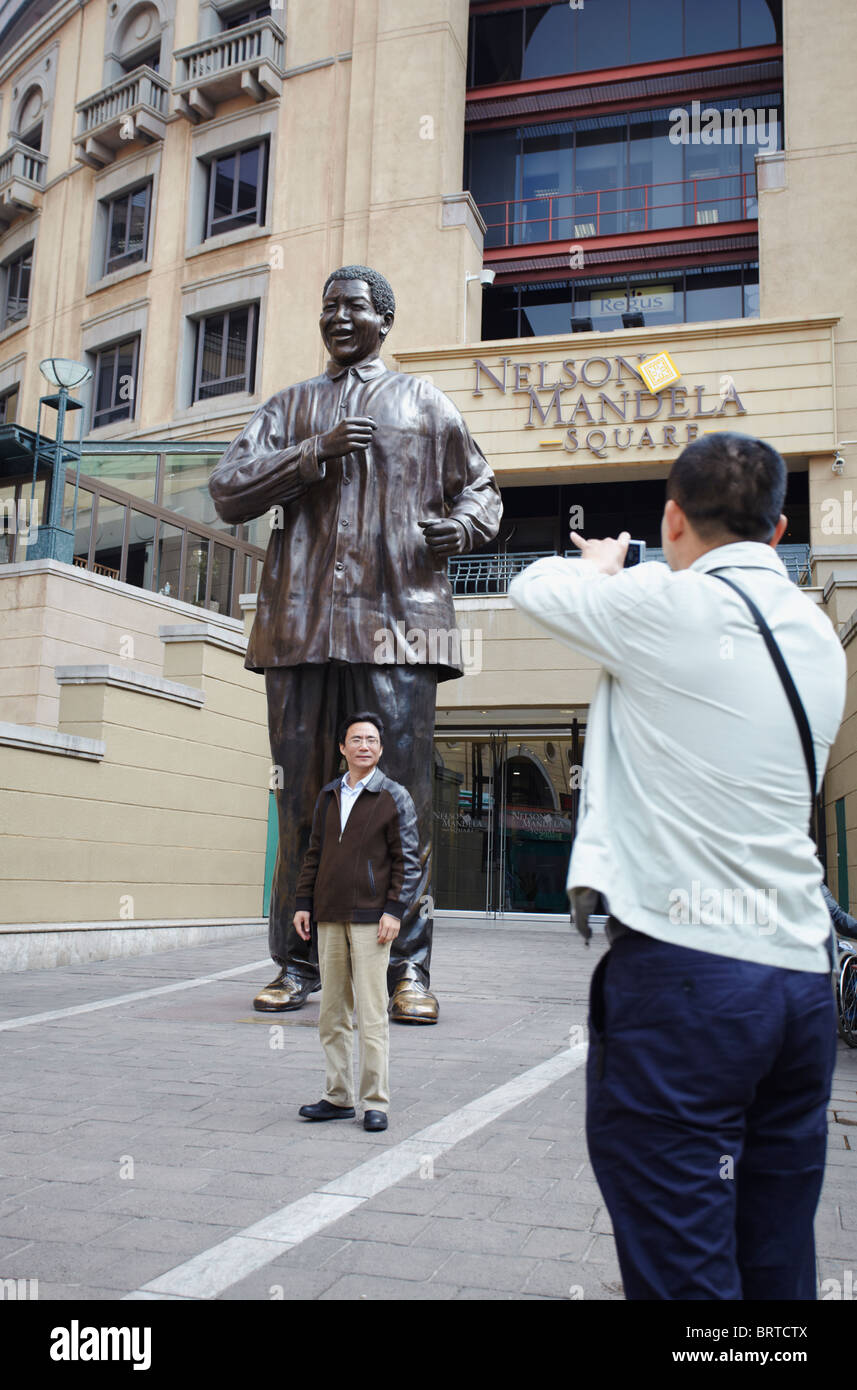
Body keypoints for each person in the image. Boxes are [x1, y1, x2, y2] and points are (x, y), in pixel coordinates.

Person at [509, 431, 847, 1301]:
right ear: (777, 530)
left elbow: (530, 585)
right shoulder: (816, 635)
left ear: (671, 519)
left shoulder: (662, 603)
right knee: (775, 1254)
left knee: (683, 1266)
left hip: (690, 983)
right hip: (800, 985)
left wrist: (602, 563)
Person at [209, 266, 502, 1022]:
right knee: (303, 801)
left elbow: (483, 491)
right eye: (328, 306)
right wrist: (311, 453)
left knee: (397, 801)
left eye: (355, 307)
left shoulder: (424, 404)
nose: (338, 318)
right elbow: (229, 487)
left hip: (396, 623)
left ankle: (407, 969)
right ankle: (296, 962)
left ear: (385, 319)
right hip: (302, 626)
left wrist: (460, 529)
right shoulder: (290, 407)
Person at [294, 712, 420, 1131]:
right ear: (343, 748)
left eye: (371, 740)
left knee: (370, 1013)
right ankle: (337, 1096)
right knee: (331, 1013)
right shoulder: (329, 795)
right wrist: (303, 902)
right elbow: (314, 854)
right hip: (329, 917)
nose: (364, 746)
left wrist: (394, 911)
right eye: (356, 739)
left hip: (372, 920)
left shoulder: (393, 796)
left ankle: (374, 1102)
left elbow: (408, 862)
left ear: (380, 749)